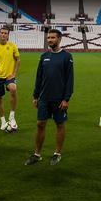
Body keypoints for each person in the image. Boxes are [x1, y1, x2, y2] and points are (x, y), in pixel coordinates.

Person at [24, 29, 74, 166]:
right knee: (40, 124)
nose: (50, 40)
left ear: (59, 39)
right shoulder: (44, 56)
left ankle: (57, 153)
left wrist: (66, 99)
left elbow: (70, 79)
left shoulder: (67, 56)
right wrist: (35, 95)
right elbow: (39, 77)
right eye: (48, 38)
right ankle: (37, 154)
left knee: (59, 124)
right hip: (44, 98)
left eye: (52, 37)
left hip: (59, 99)